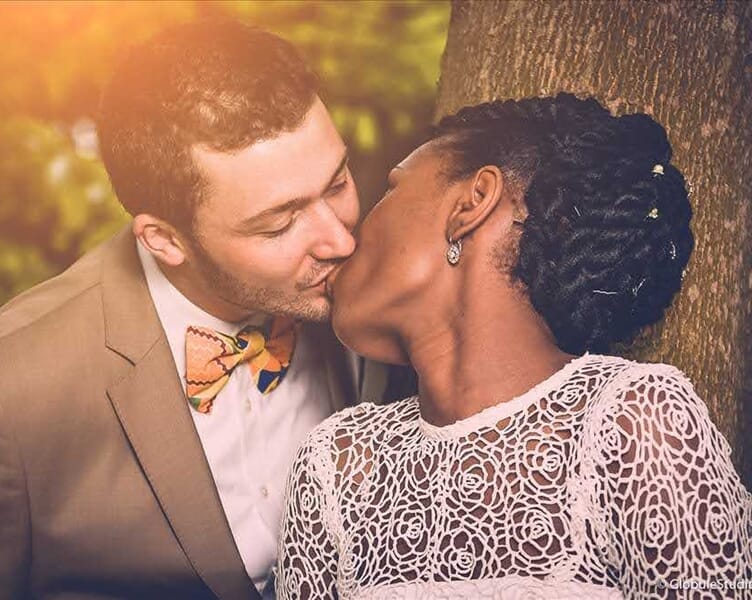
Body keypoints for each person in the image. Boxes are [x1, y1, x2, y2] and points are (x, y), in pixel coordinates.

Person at [0, 19, 393, 599]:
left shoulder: (374, 300)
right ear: (164, 240)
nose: (339, 241)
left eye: (336, 183)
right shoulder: (0, 399)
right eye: (279, 223)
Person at [277, 93, 752, 599]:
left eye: (391, 189)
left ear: (472, 203)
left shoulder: (631, 420)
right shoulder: (336, 465)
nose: (346, 237)